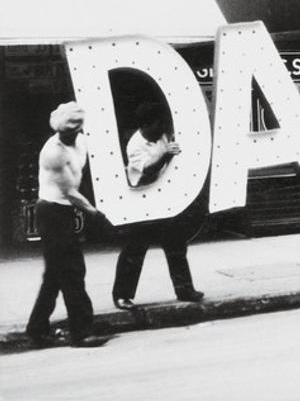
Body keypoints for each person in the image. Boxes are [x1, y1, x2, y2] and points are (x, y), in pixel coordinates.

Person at [26, 101, 106, 347]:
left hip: (62, 212)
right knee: (72, 271)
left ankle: (37, 330)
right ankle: (81, 332)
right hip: (53, 212)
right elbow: (70, 191)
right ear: (59, 131)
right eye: (66, 131)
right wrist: (94, 212)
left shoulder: (80, 141)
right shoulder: (53, 153)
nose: (71, 134)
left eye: (74, 130)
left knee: (55, 275)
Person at [112, 101, 204, 310]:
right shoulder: (135, 145)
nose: (161, 128)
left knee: (176, 245)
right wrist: (165, 154)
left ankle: (185, 289)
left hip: (165, 199)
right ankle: (122, 295)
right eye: (157, 124)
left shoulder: (161, 135)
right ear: (146, 125)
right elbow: (148, 170)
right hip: (143, 201)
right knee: (135, 250)